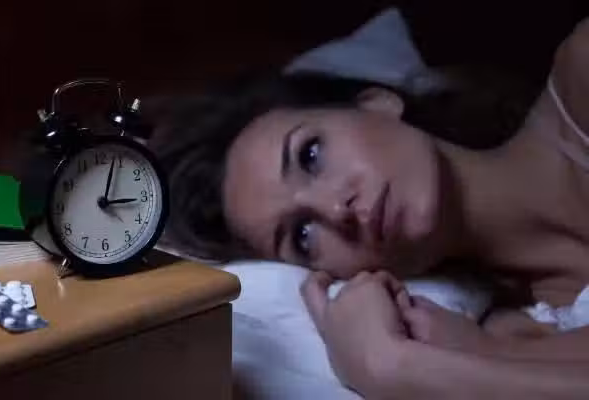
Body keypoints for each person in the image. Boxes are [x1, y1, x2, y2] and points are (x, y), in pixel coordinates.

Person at [150, 18, 589, 399]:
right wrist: (407, 367)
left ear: (377, 103)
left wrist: (395, 368)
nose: (335, 209)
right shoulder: (509, 342)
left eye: (311, 156)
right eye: (303, 235)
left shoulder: (581, 79)